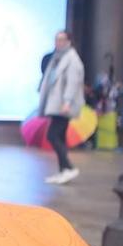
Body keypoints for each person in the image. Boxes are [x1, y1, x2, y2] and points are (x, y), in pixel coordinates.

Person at [37, 30, 86, 185]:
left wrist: (67, 102)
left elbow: (72, 82)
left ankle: (68, 167)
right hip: (56, 103)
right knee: (60, 137)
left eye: (62, 39)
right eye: (56, 39)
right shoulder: (57, 58)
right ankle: (63, 170)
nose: (58, 42)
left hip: (63, 105)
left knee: (52, 135)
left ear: (69, 41)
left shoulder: (72, 59)